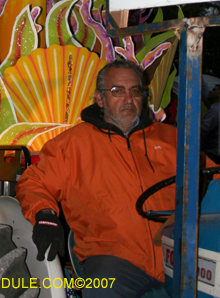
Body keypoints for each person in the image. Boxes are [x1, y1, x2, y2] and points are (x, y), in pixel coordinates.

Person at [16, 60, 212, 298]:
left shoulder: (174, 140)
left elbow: (212, 177)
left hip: (179, 255)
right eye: (118, 91)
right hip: (112, 258)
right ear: (100, 99)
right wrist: (44, 216)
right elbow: (34, 182)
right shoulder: (71, 145)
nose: (129, 100)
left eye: (135, 91)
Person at [201, 84, 220, 163]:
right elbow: (204, 91)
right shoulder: (214, 107)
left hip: (212, 155)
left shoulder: (215, 110)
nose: (210, 91)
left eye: (214, 90)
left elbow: (202, 129)